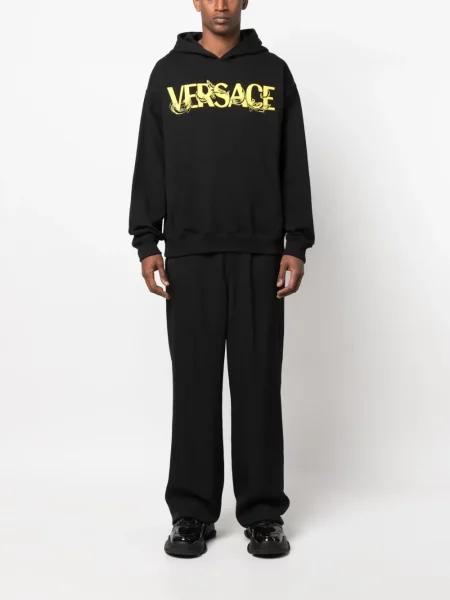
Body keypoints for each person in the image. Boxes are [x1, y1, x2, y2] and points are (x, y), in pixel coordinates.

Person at [128, 0, 315, 559]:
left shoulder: (273, 73)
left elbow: (293, 158)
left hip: (261, 252)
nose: (220, 3)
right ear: (195, 0)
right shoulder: (168, 73)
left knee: (258, 385)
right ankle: (191, 513)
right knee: (194, 385)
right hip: (189, 254)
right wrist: (147, 240)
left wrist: (296, 242)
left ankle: (263, 513)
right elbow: (151, 157)